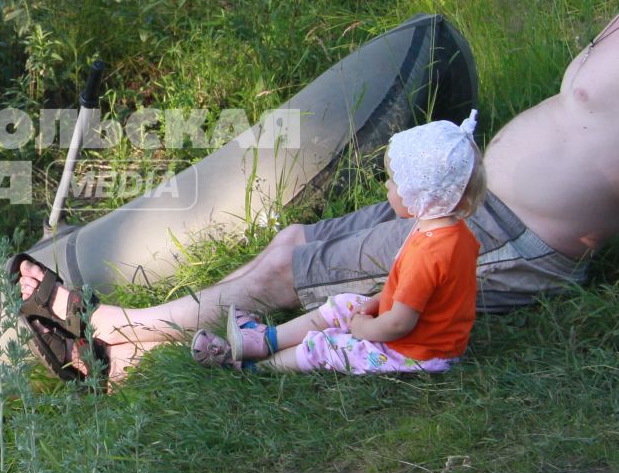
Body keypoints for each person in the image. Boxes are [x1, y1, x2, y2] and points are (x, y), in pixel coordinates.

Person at [17, 0, 619, 376]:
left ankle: (119, 330)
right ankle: (134, 354)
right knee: (295, 238)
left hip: (511, 242)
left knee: (284, 272)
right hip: (472, 210)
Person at [190, 113, 485, 375]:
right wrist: (375, 303)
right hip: (429, 336)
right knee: (344, 304)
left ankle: (250, 367)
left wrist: (365, 329)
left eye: (395, 182)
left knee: (329, 346)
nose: (387, 186)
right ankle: (265, 340)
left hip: (416, 351)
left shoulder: (428, 253)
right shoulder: (453, 233)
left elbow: (399, 324)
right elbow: (418, 295)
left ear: (422, 194)